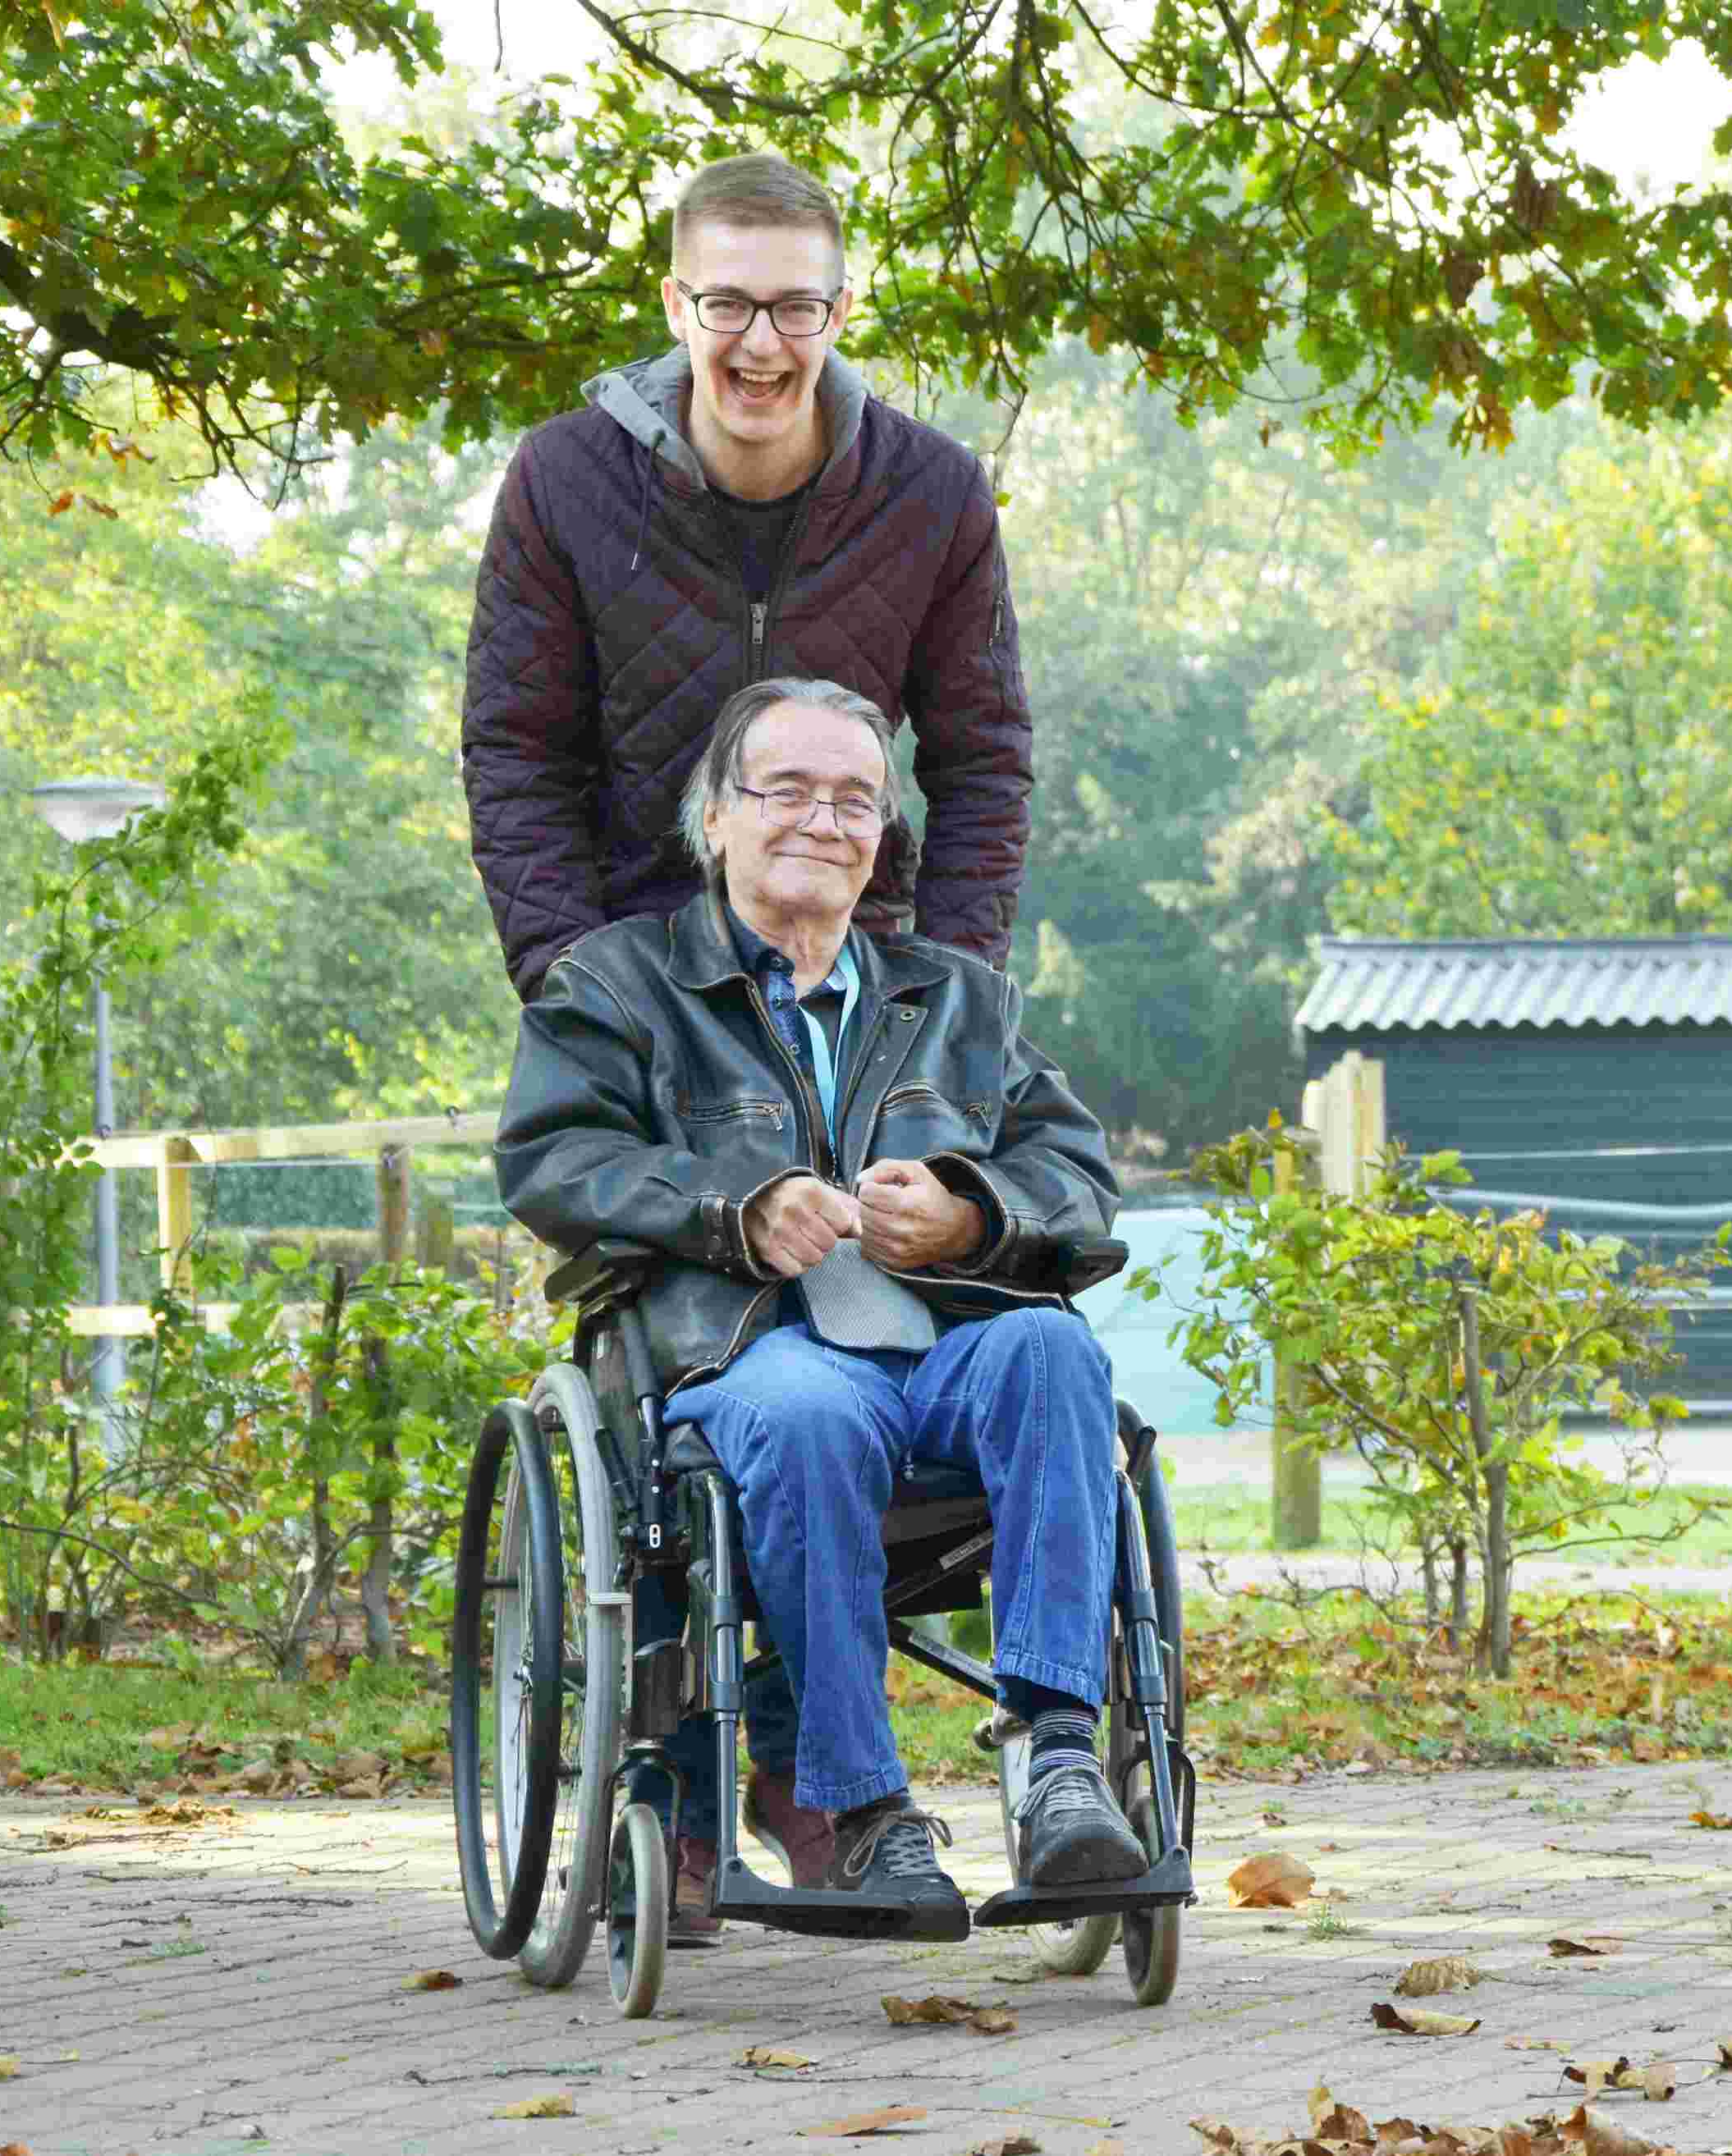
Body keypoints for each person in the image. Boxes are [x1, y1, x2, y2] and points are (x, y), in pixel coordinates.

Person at [494, 677, 1143, 1930]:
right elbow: (553, 1161)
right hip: (746, 1357)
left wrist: (970, 1208)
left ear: (881, 833)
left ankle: (1059, 1759)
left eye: (854, 797)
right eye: (784, 788)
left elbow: (1076, 1174)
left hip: (944, 1349)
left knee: (1055, 1354)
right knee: (807, 1414)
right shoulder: (616, 988)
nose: (821, 819)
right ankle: (865, 1808)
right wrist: (733, 1206)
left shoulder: (960, 1000)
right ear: (715, 818)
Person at [460, 149, 1031, 1007]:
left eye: (796, 307)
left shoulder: (936, 493)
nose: (760, 343)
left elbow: (984, 763)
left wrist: (946, 998)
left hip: (854, 978)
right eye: (726, 303)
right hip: (631, 976)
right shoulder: (562, 477)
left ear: (839, 313)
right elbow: (516, 756)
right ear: (675, 305)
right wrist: (573, 988)